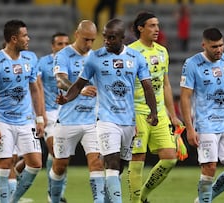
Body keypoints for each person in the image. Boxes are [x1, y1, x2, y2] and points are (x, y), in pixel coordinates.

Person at [56, 18, 158, 203]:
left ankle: (109, 198)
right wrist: (66, 98)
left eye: (111, 38)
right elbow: (79, 84)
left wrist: (154, 112)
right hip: (105, 119)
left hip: (128, 120)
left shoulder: (136, 58)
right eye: (105, 37)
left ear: (122, 38)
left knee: (120, 165)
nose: (107, 41)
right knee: (111, 162)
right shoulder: (95, 57)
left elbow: (147, 86)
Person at [179, 27, 224, 203]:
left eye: (221, 45)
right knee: (209, 167)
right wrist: (189, 128)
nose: (219, 49)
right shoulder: (192, 64)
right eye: (214, 46)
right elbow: (185, 98)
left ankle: (201, 200)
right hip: (205, 125)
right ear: (204, 45)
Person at [0, 19, 44, 203]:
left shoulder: (30, 58)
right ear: (14, 38)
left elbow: (34, 89)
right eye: (25, 35)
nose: (28, 39)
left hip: (26, 120)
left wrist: (39, 118)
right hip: (3, 121)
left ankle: (12, 200)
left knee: (35, 164)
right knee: (4, 164)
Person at [127, 11, 183, 203]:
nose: (157, 29)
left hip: (159, 113)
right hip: (138, 112)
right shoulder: (131, 52)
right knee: (138, 159)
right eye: (152, 25)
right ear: (140, 28)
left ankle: (142, 196)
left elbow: (166, 84)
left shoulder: (162, 51)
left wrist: (173, 115)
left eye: (157, 25)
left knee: (170, 158)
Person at [49, 20, 106, 203]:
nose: (89, 44)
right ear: (77, 34)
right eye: (85, 39)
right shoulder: (63, 55)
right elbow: (60, 81)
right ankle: (55, 199)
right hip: (67, 121)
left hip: (92, 121)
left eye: (92, 40)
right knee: (60, 166)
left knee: (96, 163)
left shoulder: (97, 57)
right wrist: (79, 89)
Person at [36, 31, 70, 203]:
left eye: (66, 44)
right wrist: (40, 115)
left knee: (61, 156)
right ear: (53, 46)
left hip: (68, 113)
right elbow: (36, 89)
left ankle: (56, 192)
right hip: (49, 112)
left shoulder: (73, 61)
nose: (63, 47)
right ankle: (55, 194)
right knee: (57, 152)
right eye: (60, 44)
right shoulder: (42, 63)